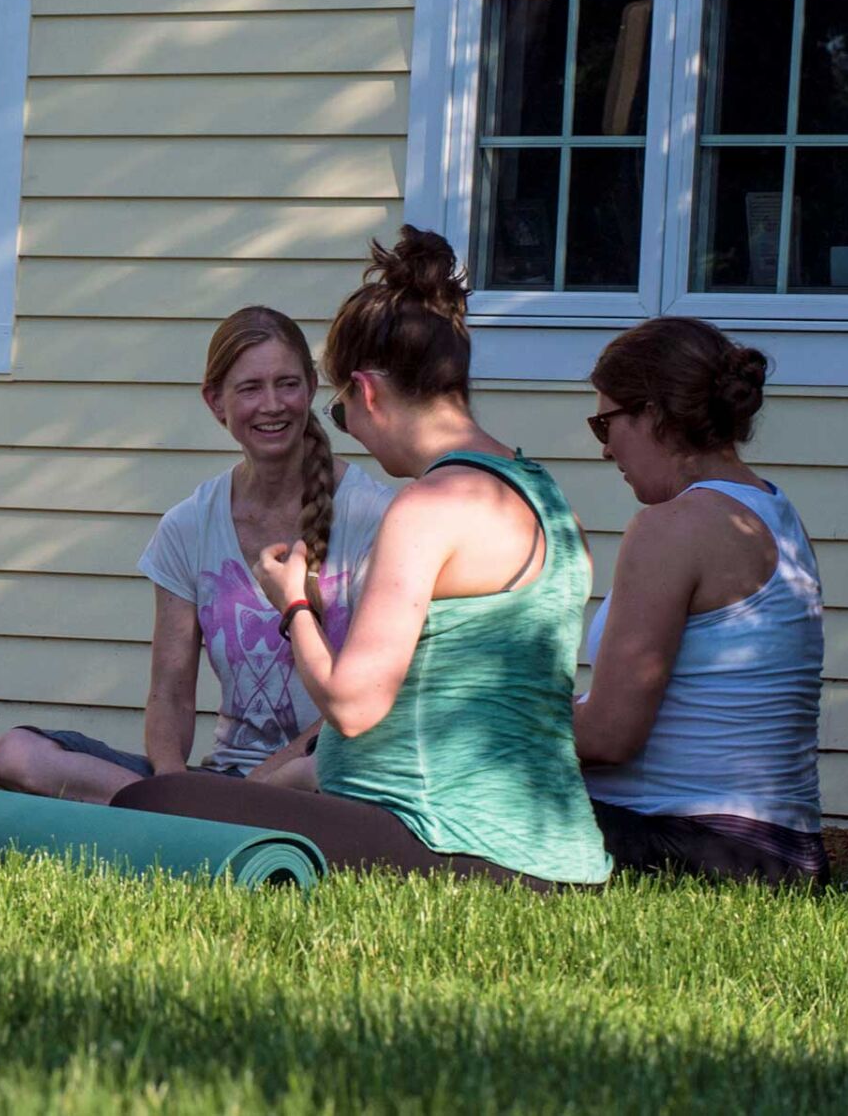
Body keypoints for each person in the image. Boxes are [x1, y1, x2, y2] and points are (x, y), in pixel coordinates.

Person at [111, 228, 613, 889]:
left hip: (451, 843)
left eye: (343, 415)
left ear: (368, 392)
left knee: (150, 804)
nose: (353, 435)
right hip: (561, 852)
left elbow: (352, 706)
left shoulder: (426, 509)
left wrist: (293, 603)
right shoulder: (548, 497)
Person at [0, 307, 394, 803]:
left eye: (287, 384)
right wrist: (172, 783)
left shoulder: (373, 516)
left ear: (310, 389)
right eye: (249, 388)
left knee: (312, 776)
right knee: (17, 754)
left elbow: (363, 704)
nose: (272, 405)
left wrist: (257, 786)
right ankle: (195, 815)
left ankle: (209, 815)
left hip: (318, 769)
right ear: (215, 402)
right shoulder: (187, 526)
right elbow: (170, 695)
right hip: (219, 783)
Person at [573, 318, 829, 883]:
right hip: (782, 852)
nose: (604, 448)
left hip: (687, 845)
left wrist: (482, 722)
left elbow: (608, 736)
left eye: (604, 423)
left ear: (654, 415)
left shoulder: (673, 526)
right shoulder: (772, 510)